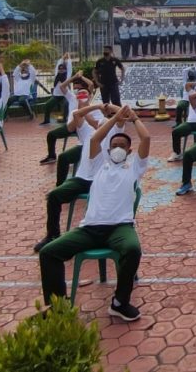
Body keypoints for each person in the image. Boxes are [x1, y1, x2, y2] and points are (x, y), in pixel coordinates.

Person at [39, 105, 150, 321]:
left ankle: (120, 303)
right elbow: (95, 139)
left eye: (122, 146)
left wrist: (134, 118)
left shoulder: (134, 168)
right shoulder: (98, 165)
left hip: (120, 228)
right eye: (114, 146)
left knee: (132, 249)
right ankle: (58, 307)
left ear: (129, 151)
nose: (117, 149)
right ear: (108, 150)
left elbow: (145, 138)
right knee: (49, 253)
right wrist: (115, 118)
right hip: (89, 229)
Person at [34, 102, 125, 252]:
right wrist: (96, 106)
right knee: (54, 196)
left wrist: (108, 107)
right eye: (99, 124)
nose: (100, 125)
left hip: (102, 180)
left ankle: (108, 236)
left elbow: (124, 113)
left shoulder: (114, 134)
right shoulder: (88, 132)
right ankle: (52, 235)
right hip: (82, 179)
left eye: (104, 124)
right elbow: (77, 114)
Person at [39, 72, 93, 168]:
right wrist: (74, 77)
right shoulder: (72, 97)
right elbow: (62, 86)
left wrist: (81, 77)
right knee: (51, 135)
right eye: (75, 86)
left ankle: (84, 158)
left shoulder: (87, 97)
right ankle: (51, 156)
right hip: (71, 126)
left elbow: (91, 84)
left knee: (85, 141)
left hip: (83, 126)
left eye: (79, 86)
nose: (79, 92)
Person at [39, 53, 73, 125]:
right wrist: (62, 58)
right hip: (56, 95)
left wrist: (69, 58)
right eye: (60, 69)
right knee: (48, 105)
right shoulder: (56, 75)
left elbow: (70, 68)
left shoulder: (67, 76)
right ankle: (46, 120)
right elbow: (58, 65)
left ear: (65, 70)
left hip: (65, 95)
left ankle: (65, 119)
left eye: (63, 69)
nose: (61, 70)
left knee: (66, 104)